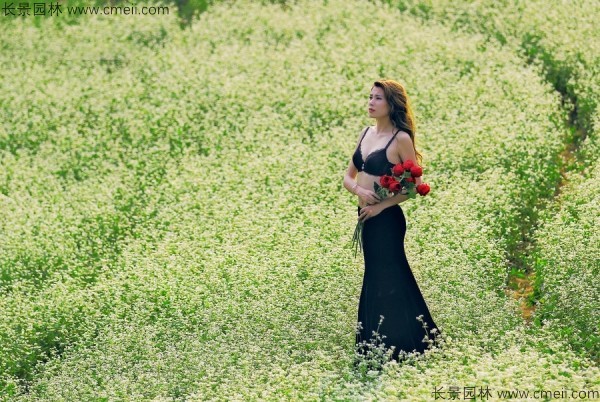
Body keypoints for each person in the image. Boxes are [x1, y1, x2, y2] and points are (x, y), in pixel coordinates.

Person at [343, 79, 441, 365]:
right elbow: (348, 177)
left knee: (388, 277)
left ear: (391, 105)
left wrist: (381, 207)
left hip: (386, 220)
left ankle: (403, 345)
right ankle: (378, 343)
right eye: (370, 97)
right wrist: (360, 191)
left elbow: (414, 186)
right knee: (376, 276)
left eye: (378, 99)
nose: (371, 102)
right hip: (366, 216)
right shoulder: (365, 133)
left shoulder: (401, 139)